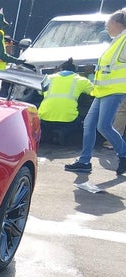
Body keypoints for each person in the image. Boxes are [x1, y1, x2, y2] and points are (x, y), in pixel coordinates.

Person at [65, 9, 126, 174]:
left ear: (117, 23)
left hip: (114, 90)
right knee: (89, 124)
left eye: (108, 23)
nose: (106, 26)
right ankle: (84, 161)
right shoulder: (116, 41)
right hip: (102, 90)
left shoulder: (123, 40)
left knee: (103, 126)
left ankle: (123, 154)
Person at [38, 58, 93, 144]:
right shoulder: (81, 80)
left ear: (61, 69)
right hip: (68, 120)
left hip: (44, 117)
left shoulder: (48, 78)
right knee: (81, 120)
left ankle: (47, 134)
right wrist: (89, 74)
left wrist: (53, 74)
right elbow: (94, 92)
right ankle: (63, 133)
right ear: (75, 71)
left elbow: (39, 92)